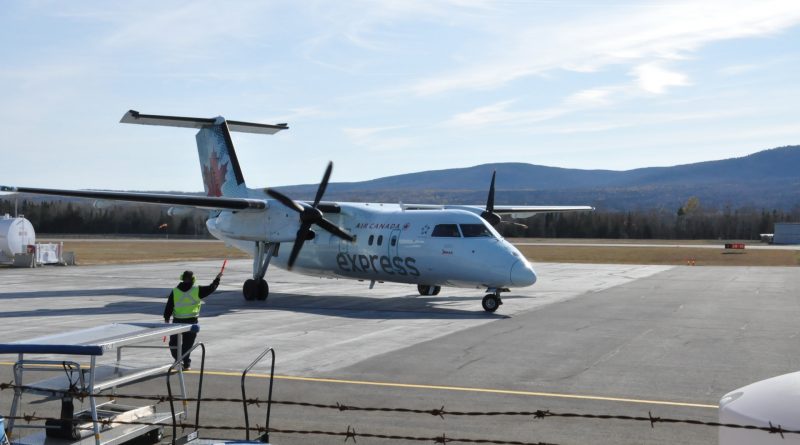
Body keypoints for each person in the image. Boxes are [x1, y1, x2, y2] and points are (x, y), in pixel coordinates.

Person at [164, 270, 221, 369]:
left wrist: (166, 318)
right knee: (187, 344)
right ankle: (186, 363)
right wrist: (217, 279)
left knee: (173, 343)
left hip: (177, 321)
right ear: (193, 279)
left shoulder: (175, 291)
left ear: (182, 278)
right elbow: (211, 288)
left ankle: (178, 360)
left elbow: (169, 306)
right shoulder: (197, 290)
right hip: (191, 322)